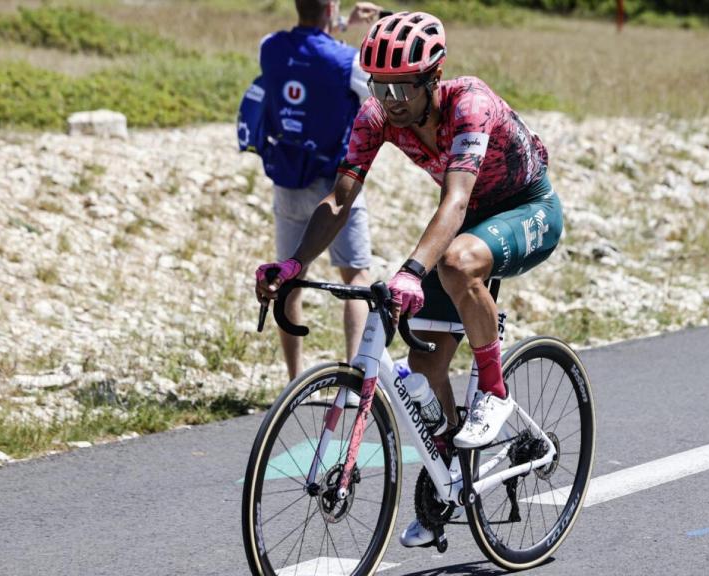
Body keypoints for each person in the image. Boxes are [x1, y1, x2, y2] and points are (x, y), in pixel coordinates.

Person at [254, 11, 563, 547]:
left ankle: (494, 391)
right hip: (466, 222)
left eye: (402, 88)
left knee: (455, 262)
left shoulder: (469, 103)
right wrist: (295, 265)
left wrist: (411, 272)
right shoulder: (376, 116)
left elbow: (457, 200)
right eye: (381, 86)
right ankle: (451, 477)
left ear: (433, 79)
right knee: (424, 367)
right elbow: (340, 199)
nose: (391, 100)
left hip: (526, 208)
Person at [239, 0, 382, 385]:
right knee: (356, 277)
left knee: (289, 278)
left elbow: (308, 42)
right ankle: (354, 380)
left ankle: (294, 381)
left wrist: (339, 23)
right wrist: (353, 28)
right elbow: (369, 91)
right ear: (332, 6)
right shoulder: (348, 61)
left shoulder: (270, 46)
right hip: (335, 186)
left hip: (287, 180)